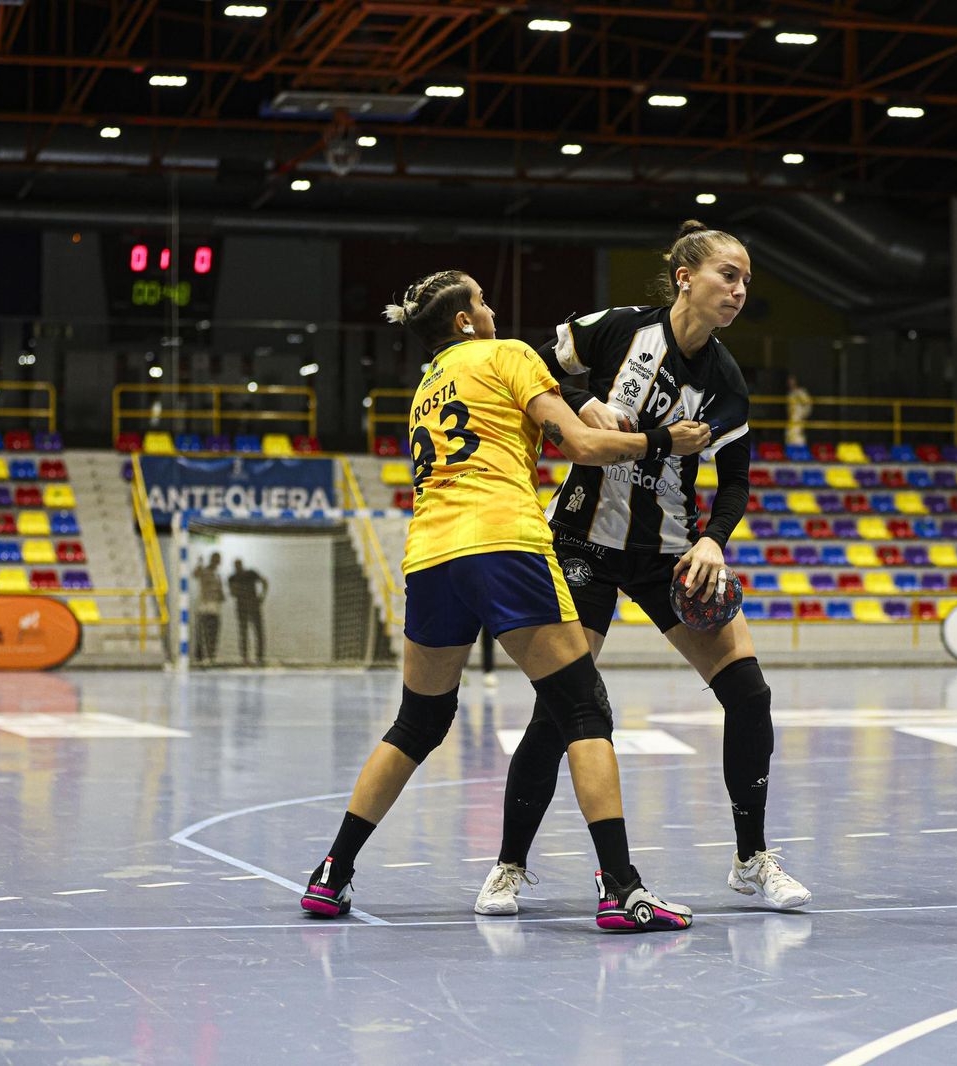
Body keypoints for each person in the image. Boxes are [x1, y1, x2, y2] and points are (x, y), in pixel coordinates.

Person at [301, 268, 711, 931]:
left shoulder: (429, 386)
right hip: (504, 544)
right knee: (583, 709)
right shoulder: (509, 354)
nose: (491, 308)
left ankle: (332, 873)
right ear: (465, 319)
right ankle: (623, 890)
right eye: (482, 300)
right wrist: (663, 441)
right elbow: (578, 444)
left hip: (431, 557)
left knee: (417, 722)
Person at [474, 221, 812, 917]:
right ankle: (508, 866)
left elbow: (738, 480)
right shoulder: (615, 329)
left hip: (671, 555)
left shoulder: (725, 381)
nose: (740, 290)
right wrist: (572, 406)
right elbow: (530, 372)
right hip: (583, 544)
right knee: (560, 710)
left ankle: (752, 860)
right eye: (729, 274)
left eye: (747, 280)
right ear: (685, 276)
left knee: (748, 694)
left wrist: (715, 539)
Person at [228, 559, 269, 665]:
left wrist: (262, 596)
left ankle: (259, 656)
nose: (237, 567)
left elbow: (264, 581)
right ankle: (245, 657)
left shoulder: (251, 573)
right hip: (242, 607)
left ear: (241, 565)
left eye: (238, 565)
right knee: (244, 632)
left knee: (257, 631)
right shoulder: (232, 578)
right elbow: (232, 593)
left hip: (252, 605)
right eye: (236, 566)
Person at [194, 552, 224, 664]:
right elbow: (195, 574)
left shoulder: (217, 575)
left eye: (219, 560)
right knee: (202, 632)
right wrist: (199, 563)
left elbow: (220, 592)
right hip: (205, 607)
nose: (217, 562)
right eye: (216, 559)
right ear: (212, 560)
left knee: (214, 633)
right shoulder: (205, 571)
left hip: (215, 608)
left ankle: (211, 656)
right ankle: (200, 657)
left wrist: (220, 595)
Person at [785, 374, 813, 447]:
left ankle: (800, 455)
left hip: (799, 419)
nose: (790, 383)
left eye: (792, 381)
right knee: (789, 436)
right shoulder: (790, 394)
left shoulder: (801, 392)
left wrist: (802, 414)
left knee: (798, 437)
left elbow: (808, 405)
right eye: (789, 382)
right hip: (791, 419)